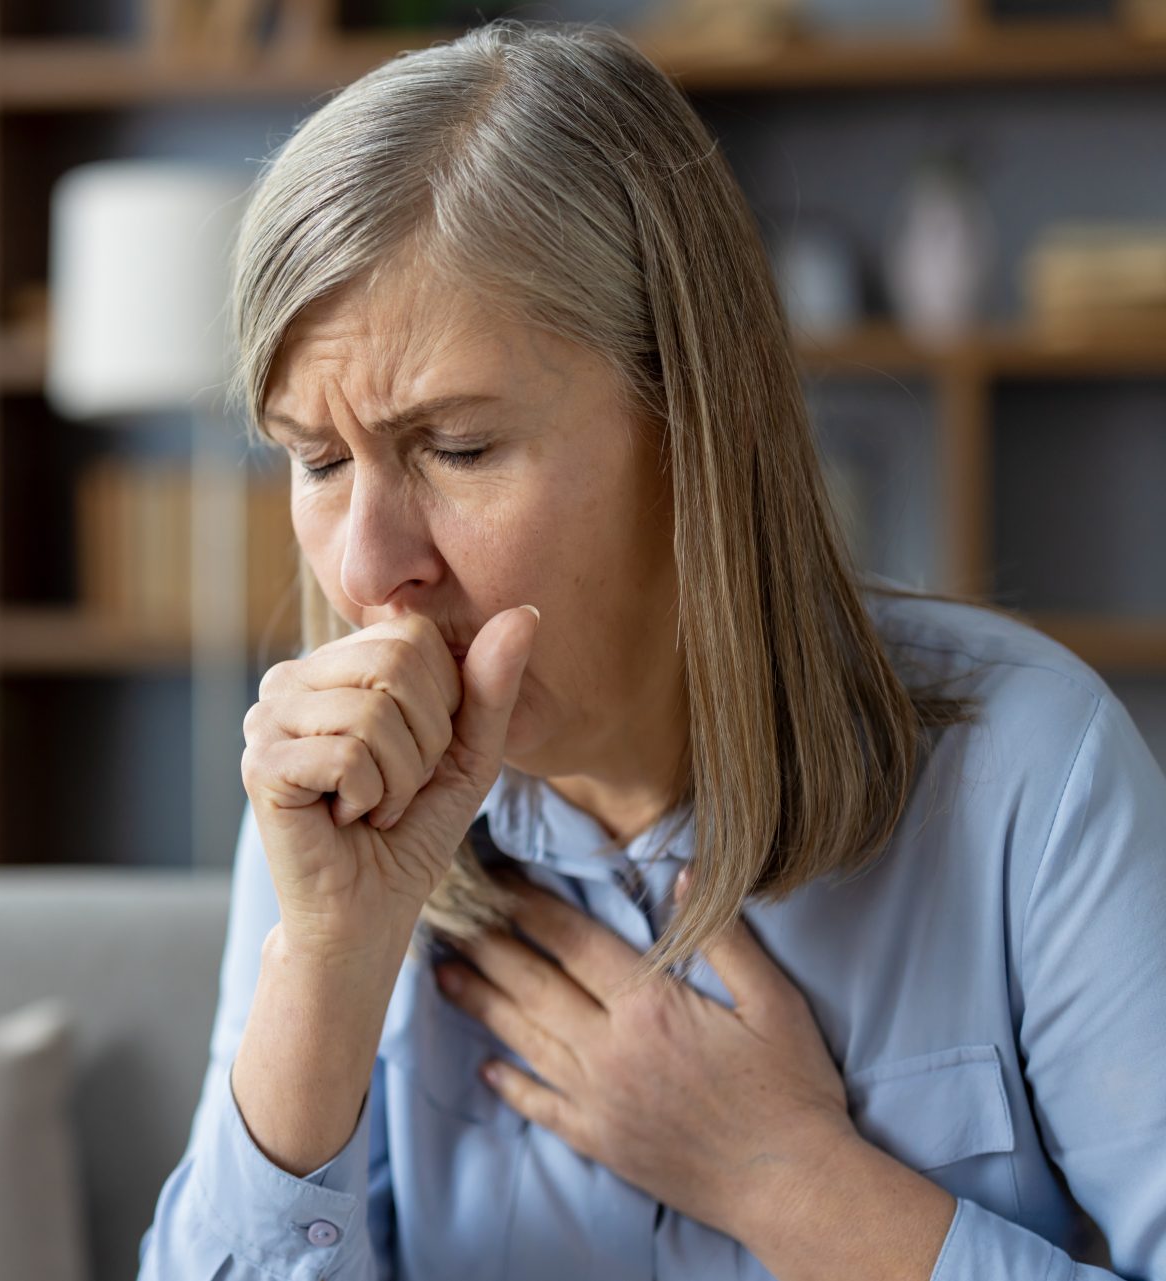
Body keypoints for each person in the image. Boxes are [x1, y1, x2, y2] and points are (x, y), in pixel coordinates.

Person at [135, 18, 1166, 1281]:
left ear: (691, 424)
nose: (362, 567)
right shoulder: (323, 828)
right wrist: (323, 974)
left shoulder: (1032, 780)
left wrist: (788, 1184)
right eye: (319, 460)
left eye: (456, 448)